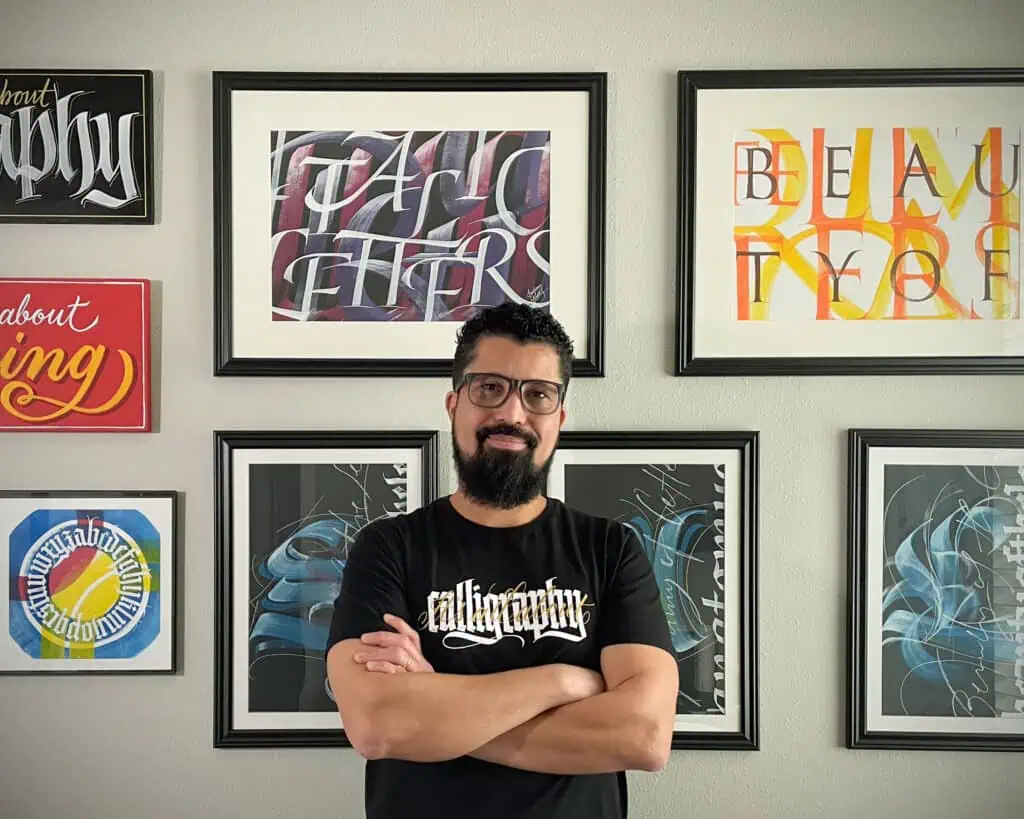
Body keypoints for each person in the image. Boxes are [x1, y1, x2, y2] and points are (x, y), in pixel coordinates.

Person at [324, 301, 678, 819]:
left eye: (537, 394)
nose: (512, 414)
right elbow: (380, 727)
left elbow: (643, 736)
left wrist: (434, 703)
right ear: (453, 405)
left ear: (558, 418)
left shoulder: (610, 549)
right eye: (489, 387)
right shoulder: (389, 548)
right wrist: (564, 682)